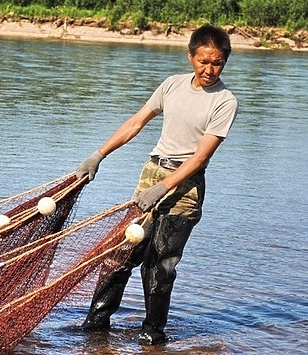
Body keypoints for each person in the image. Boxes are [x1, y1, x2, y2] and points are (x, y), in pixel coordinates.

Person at [76, 24, 238, 345]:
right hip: (151, 173)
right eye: (203, 61)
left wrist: (163, 189)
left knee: (159, 266)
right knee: (119, 256)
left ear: (225, 62)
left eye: (217, 62)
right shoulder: (172, 85)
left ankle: (153, 338)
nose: (209, 69)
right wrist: (98, 155)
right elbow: (136, 123)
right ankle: (94, 331)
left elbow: (199, 159)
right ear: (190, 56)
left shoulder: (224, 101)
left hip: (185, 187)